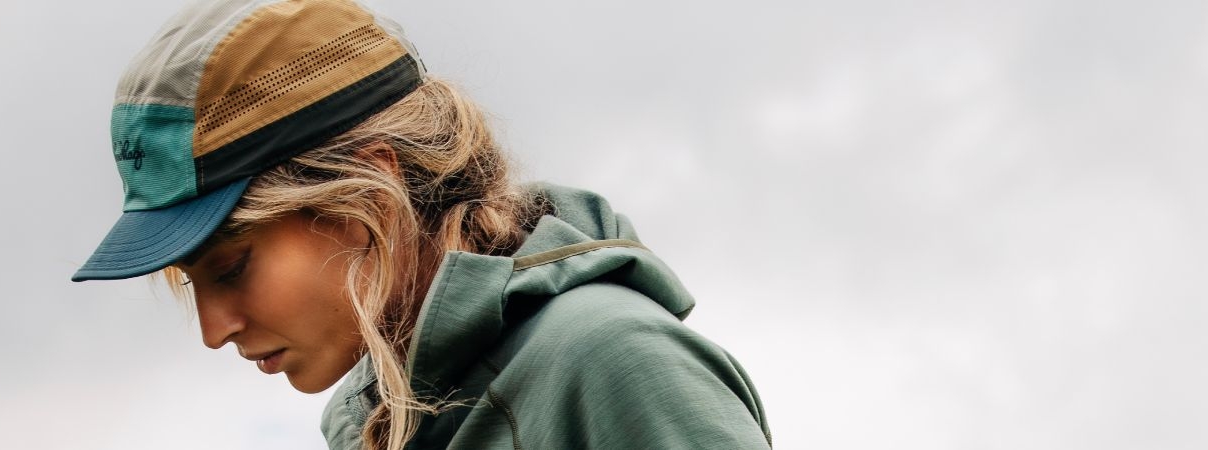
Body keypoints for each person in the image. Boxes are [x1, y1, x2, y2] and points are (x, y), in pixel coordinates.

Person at [68, 1, 771, 448]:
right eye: (190, 281)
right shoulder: (375, 422)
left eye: (230, 265)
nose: (213, 329)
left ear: (370, 193)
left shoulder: (612, 365)